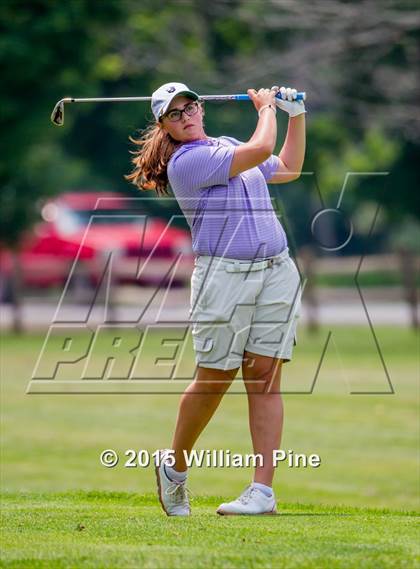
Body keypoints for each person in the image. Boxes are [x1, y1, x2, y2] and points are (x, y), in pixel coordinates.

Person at [125, 81, 305, 516]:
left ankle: (262, 492)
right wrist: (267, 109)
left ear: (201, 109)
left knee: (265, 376)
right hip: (224, 277)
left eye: (190, 107)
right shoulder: (189, 162)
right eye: (175, 114)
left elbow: (286, 167)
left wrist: (297, 115)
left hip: (276, 269)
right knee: (214, 379)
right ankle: (174, 469)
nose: (186, 116)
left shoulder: (225, 145)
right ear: (164, 126)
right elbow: (261, 149)